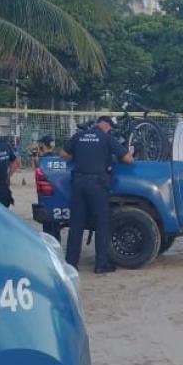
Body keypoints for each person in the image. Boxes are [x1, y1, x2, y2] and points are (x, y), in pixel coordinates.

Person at [63, 115, 131, 274]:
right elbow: (127, 159)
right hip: (97, 185)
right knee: (102, 224)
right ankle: (101, 264)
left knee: (76, 225)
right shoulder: (106, 138)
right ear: (107, 126)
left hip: (78, 183)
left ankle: (71, 264)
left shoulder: (78, 136)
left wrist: (80, 156)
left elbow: (63, 154)